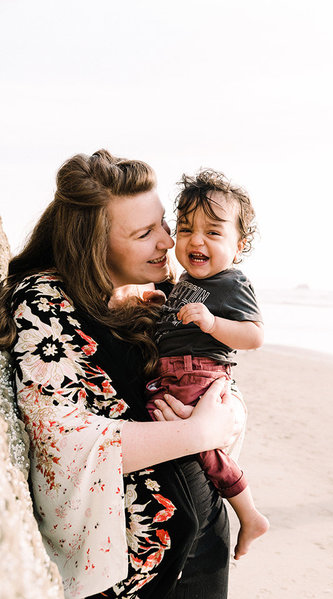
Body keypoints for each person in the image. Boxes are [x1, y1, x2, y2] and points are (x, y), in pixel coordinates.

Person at [0, 150, 241, 599]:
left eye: (164, 224)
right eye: (144, 233)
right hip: (140, 576)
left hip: (202, 542)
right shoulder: (42, 301)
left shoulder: (150, 295)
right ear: (94, 244)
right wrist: (199, 432)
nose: (168, 243)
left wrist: (227, 417)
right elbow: (61, 441)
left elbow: (217, 375)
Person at [146, 169, 269, 561]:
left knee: (205, 452)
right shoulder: (180, 281)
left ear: (238, 245)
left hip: (200, 375)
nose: (196, 240)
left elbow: (253, 336)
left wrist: (213, 323)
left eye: (213, 233)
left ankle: (248, 513)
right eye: (185, 229)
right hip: (173, 374)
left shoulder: (232, 283)